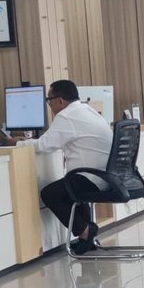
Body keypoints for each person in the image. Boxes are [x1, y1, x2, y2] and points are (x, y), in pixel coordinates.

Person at [6, 80, 114, 253]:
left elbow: (44, 145)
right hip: (107, 177)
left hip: (90, 177)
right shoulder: (88, 110)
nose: (49, 105)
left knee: (50, 194)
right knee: (72, 188)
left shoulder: (66, 116)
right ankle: (86, 238)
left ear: (60, 101)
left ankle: (86, 232)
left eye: (49, 100)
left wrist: (17, 143)